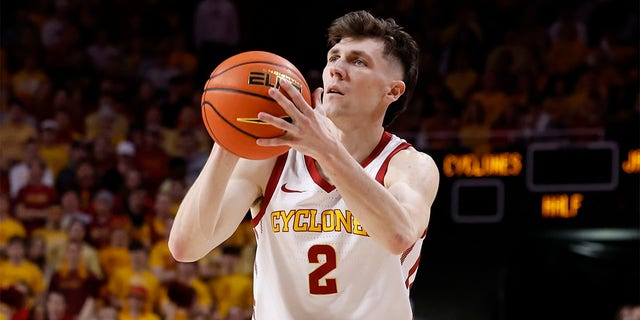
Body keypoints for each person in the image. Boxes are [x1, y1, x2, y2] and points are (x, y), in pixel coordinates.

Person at [169, 10, 440, 320]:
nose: (337, 69)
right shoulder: (270, 159)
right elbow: (185, 248)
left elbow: (398, 236)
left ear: (392, 90)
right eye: (333, 58)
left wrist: (328, 151)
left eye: (358, 61)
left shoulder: (409, 165)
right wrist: (228, 138)